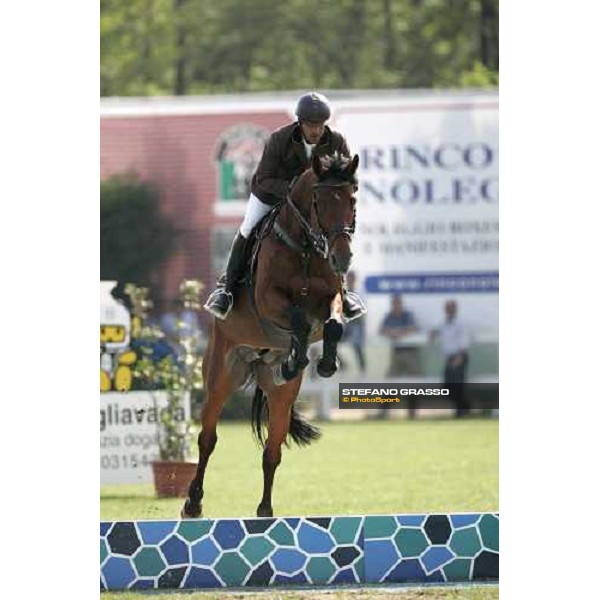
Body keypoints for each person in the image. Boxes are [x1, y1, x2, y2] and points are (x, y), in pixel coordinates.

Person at [203, 91, 366, 322]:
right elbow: (265, 179)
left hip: (317, 202)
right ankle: (226, 291)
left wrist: (344, 190)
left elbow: (349, 177)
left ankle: (344, 294)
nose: (316, 131)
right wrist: (296, 189)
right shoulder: (280, 139)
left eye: (320, 125)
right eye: (311, 125)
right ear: (300, 123)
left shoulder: (337, 142)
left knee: (336, 233)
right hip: (271, 194)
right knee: (247, 229)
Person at [379, 294, 420, 418]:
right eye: (394, 304)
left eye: (398, 304)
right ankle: (384, 411)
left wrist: (400, 333)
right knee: (390, 382)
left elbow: (414, 328)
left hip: (409, 353)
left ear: (401, 305)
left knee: (412, 383)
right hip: (396, 354)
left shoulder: (407, 315)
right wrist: (391, 332)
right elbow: (382, 329)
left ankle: (412, 412)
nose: (396, 306)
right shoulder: (389, 316)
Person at [430, 299, 470, 417]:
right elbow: (437, 331)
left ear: (455, 309)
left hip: (459, 356)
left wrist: (460, 357)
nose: (448, 310)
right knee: (447, 387)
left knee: (457, 385)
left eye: (451, 308)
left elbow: (464, 341)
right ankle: (465, 406)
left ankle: (460, 411)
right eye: (447, 308)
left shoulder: (460, 323)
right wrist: (433, 334)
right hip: (449, 358)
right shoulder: (444, 323)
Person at [341, 271, 366, 374]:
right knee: (331, 341)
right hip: (346, 325)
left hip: (356, 325)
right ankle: (342, 364)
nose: (350, 280)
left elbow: (361, 313)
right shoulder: (343, 293)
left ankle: (362, 369)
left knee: (357, 345)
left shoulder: (360, 293)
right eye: (349, 278)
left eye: (352, 278)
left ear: (355, 280)